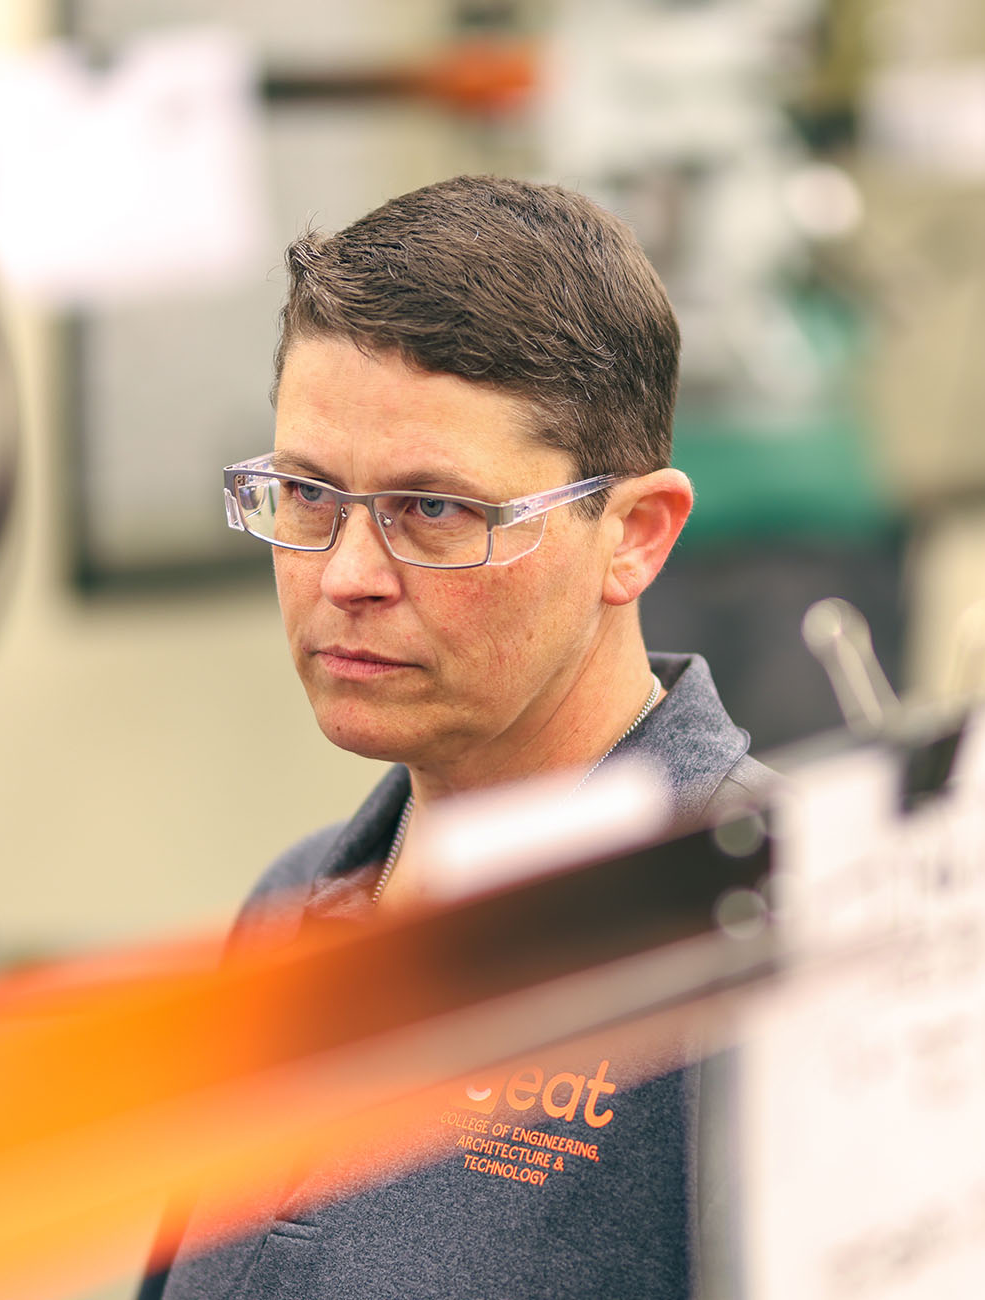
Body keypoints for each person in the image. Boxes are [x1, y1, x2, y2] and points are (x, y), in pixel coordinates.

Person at [150, 175, 771, 1299]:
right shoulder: (292, 910)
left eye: (433, 511)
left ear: (632, 536)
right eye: (305, 494)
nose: (344, 578)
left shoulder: (763, 944)